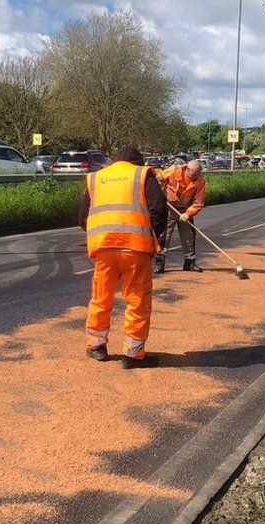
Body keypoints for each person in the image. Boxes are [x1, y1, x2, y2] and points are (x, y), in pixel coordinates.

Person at [80, 145, 168, 368]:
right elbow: (159, 209)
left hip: (104, 249)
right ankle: (133, 354)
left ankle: (96, 346)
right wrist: (151, 237)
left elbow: (83, 218)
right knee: (137, 300)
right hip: (135, 249)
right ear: (136, 162)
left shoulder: (96, 178)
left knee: (101, 297)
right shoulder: (141, 174)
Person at [152, 159, 207, 274]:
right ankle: (160, 263)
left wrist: (188, 214)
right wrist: (158, 192)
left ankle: (189, 263)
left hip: (185, 211)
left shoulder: (200, 182)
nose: (196, 177)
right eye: (194, 174)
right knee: (164, 236)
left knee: (189, 236)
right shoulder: (174, 170)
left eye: (198, 174)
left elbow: (199, 202)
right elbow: (158, 178)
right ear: (187, 169)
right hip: (169, 208)